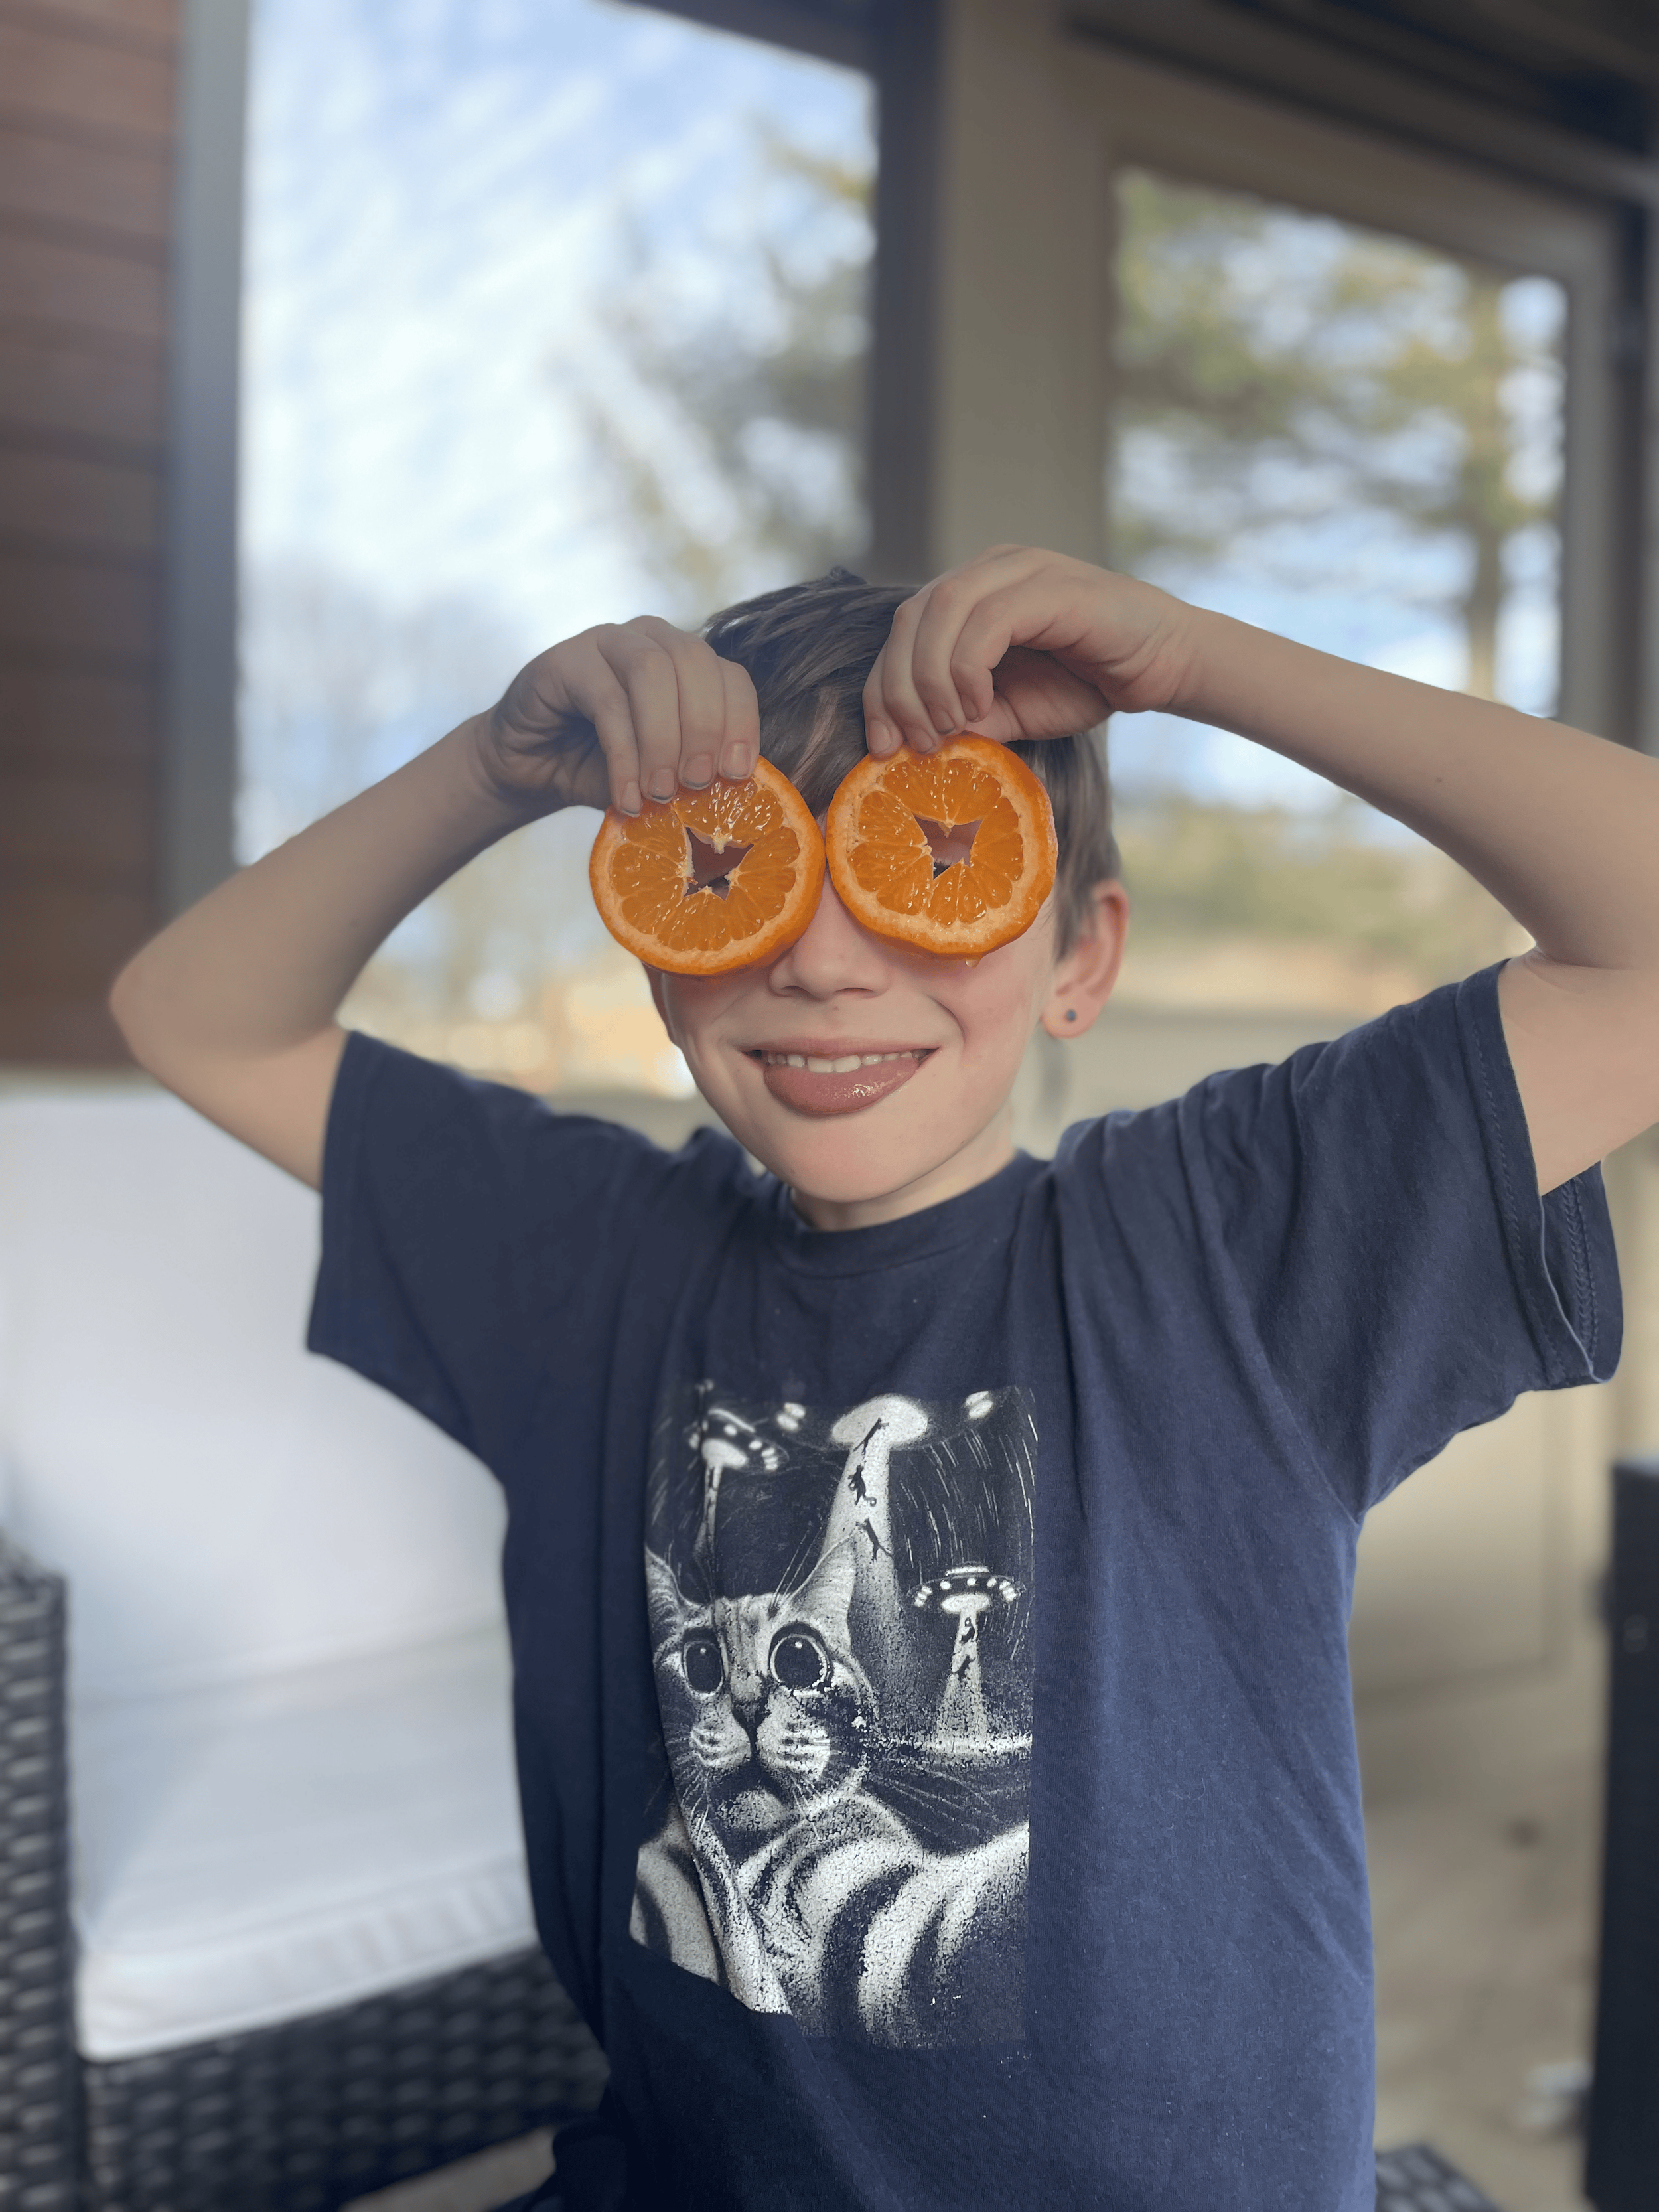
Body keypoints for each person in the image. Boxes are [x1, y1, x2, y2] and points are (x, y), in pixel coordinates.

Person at [107, 546, 1657, 2211]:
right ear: (658, 942)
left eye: (932, 865)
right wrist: (490, 770)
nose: (826, 963)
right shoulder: (590, 1261)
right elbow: (193, 1013)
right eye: (746, 877)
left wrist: (1196, 661)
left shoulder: (1220, 1245)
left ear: (1079, 952)